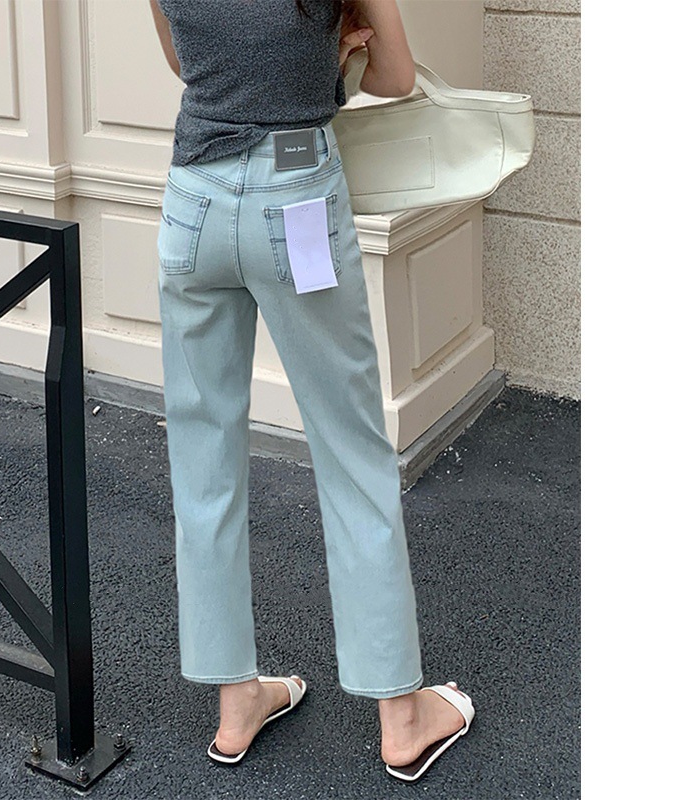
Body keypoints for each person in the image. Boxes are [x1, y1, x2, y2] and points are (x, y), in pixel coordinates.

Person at [148, 0, 475, 783]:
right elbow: (394, 77)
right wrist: (328, 56)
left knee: (202, 455)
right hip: (294, 194)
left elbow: (189, 62)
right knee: (351, 450)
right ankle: (401, 714)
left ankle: (236, 698)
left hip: (193, 200)